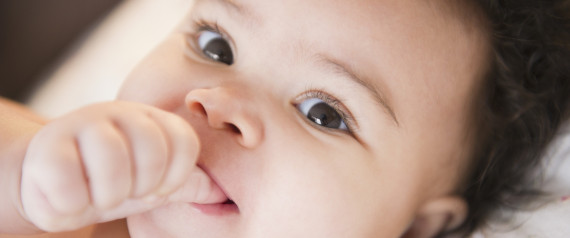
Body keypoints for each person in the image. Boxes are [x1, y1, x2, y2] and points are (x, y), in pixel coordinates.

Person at [1, 0, 569, 237]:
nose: (216, 102)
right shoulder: (83, 204)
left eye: (324, 113)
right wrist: (27, 172)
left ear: (415, 228)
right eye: (215, 45)